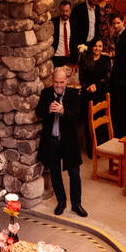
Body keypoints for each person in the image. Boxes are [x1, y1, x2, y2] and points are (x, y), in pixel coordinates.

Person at [35, 68, 86, 218]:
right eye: (56, 82)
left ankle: (76, 204)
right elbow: (38, 112)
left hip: (69, 141)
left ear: (66, 82)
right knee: (55, 174)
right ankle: (61, 202)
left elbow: (77, 116)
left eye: (61, 82)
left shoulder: (73, 95)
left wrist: (63, 111)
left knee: (74, 174)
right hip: (52, 141)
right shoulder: (46, 94)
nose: (58, 85)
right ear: (52, 81)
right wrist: (48, 111)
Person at [50, 0, 75, 67]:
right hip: (56, 57)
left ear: (70, 11)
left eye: (67, 11)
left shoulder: (74, 24)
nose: (65, 13)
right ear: (59, 11)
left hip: (69, 58)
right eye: (63, 11)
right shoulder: (53, 23)